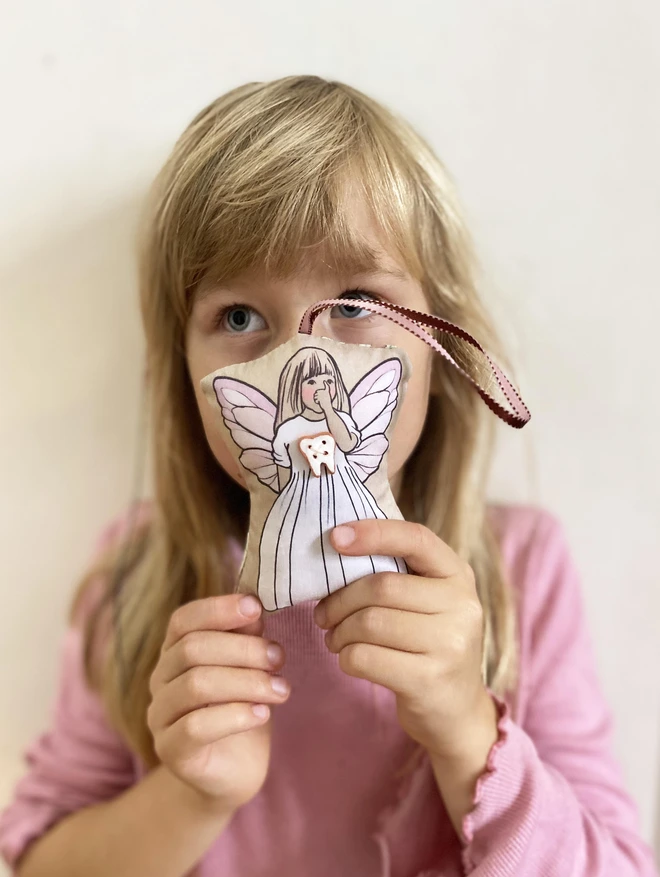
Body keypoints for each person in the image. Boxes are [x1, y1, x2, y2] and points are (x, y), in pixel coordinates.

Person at [0, 75, 656, 877]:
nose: (299, 364)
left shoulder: (522, 572)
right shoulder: (139, 579)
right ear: (185, 377)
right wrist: (190, 796)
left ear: (440, 349)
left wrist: (463, 728)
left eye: (354, 301)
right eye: (240, 317)